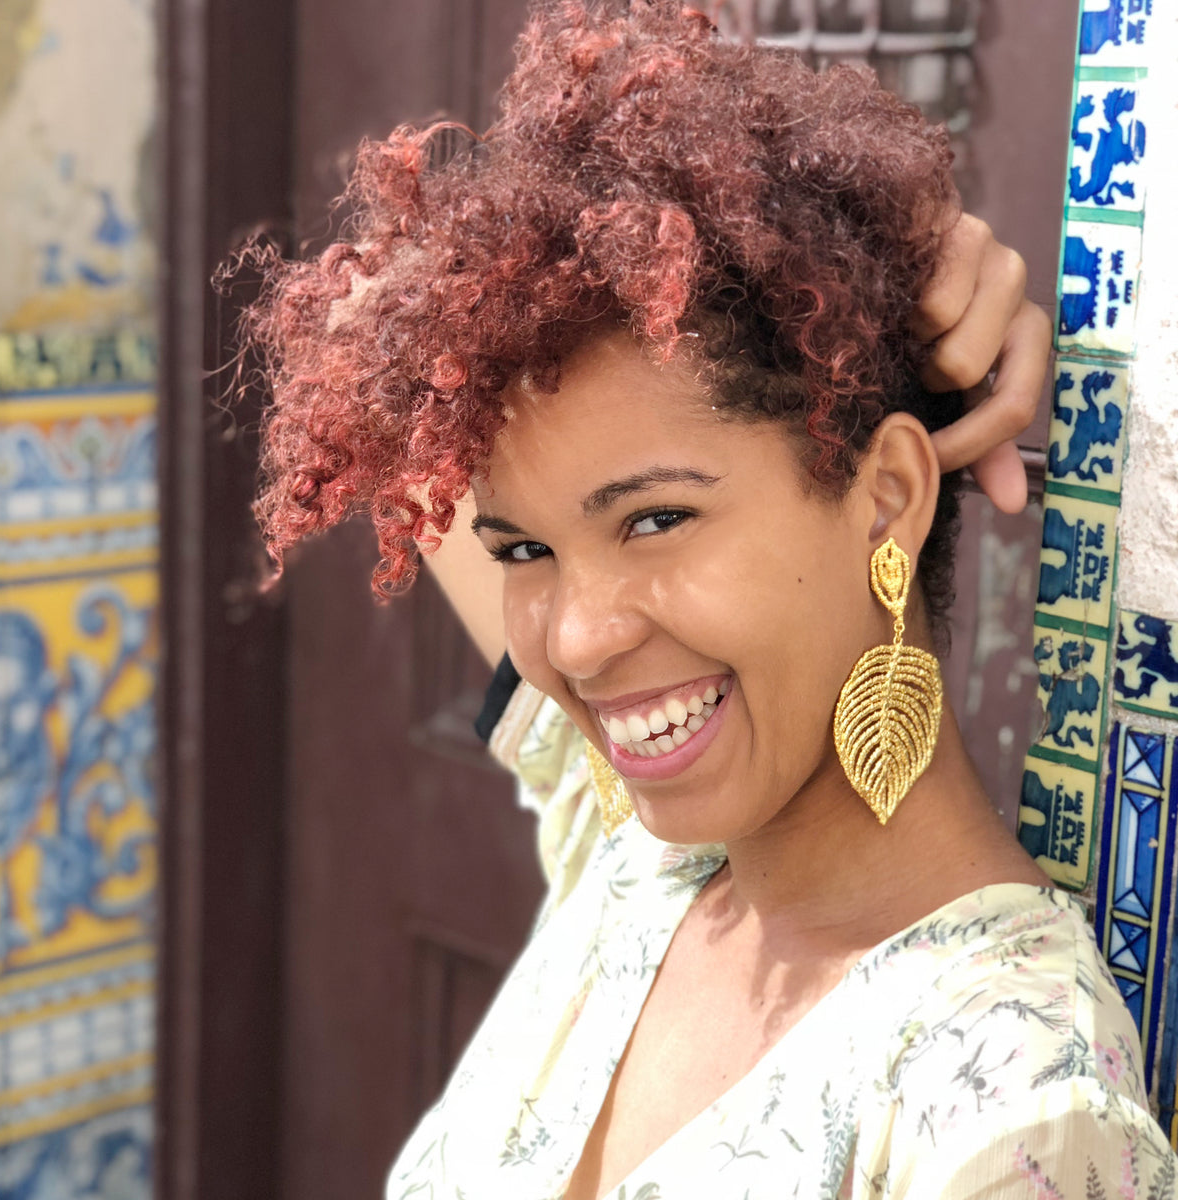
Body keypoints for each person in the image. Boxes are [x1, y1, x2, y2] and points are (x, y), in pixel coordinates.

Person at [240, 2, 1177, 1196]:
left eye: (655, 520)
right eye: (523, 550)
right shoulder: (637, 859)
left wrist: (870, 281)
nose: (576, 640)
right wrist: (890, 254)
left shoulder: (1010, 1118)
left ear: (886, 496)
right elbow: (362, 307)